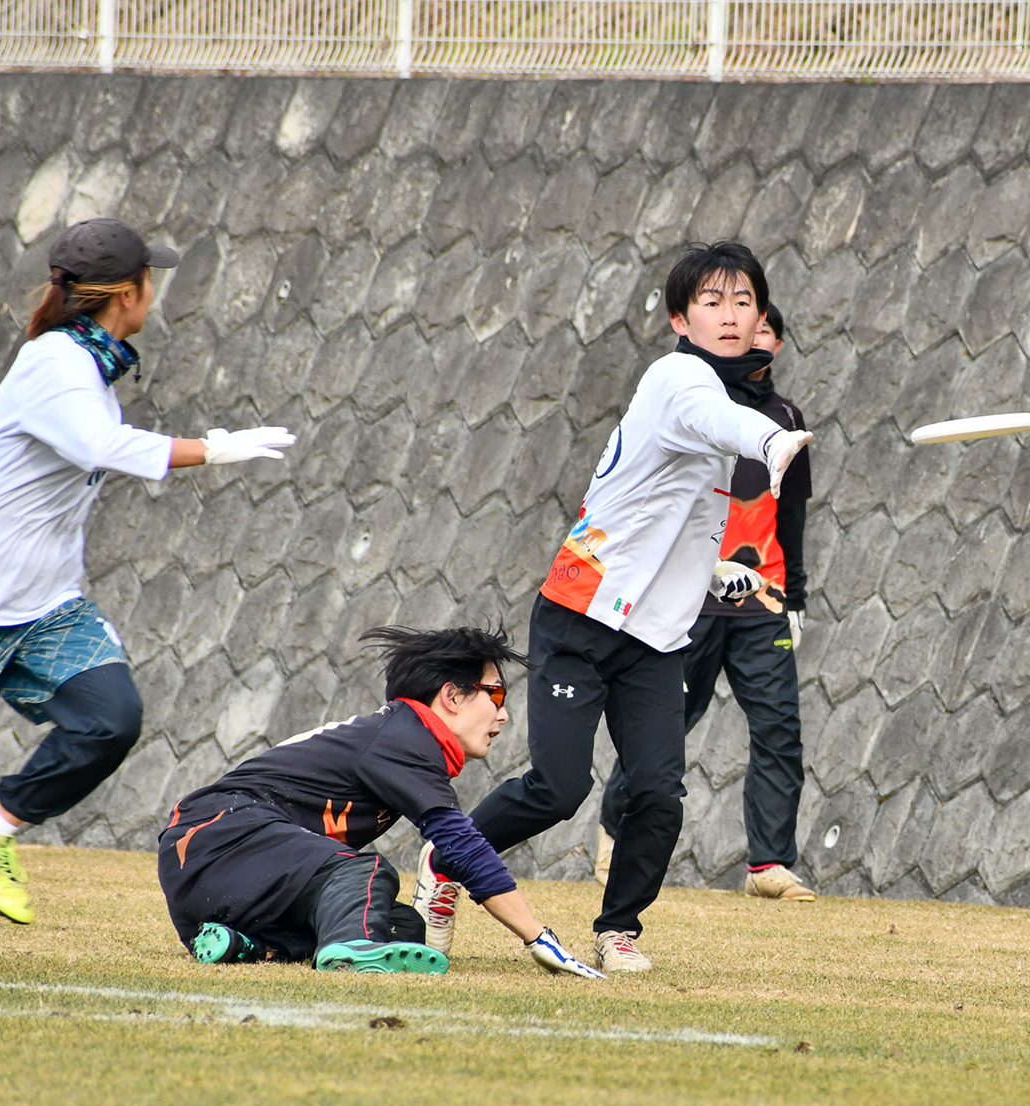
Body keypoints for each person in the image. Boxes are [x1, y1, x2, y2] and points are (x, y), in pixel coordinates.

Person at [0, 217, 297, 970]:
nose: (154, 294)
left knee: (110, 718)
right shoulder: (53, 362)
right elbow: (100, 447)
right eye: (150, 281)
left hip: (43, 606)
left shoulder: (88, 369)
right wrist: (215, 448)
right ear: (128, 292)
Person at [463, 242, 812, 974]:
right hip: (581, 616)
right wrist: (772, 441)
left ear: (761, 319)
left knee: (657, 792)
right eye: (712, 302)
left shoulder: (728, 398)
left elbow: (669, 516)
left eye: (743, 302)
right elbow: (718, 422)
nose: (729, 315)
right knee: (559, 788)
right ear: (681, 319)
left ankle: (617, 929)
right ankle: (446, 858)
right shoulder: (679, 378)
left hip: (655, 638)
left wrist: (717, 575)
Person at [156, 626, 601, 978]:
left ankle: (247, 945)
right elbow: (461, 845)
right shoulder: (405, 738)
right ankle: (352, 947)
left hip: (219, 875)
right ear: (451, 696)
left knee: (403, 926)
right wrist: (537, 937)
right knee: (364, 872)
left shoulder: (400, 736)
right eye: (496, 694)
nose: (503, 714)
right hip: (217, 835)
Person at [594, 302, 816, 902]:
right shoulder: (693, 405)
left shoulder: (787, 420)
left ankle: (768, 864)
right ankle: (614, 831)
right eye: (745, 323)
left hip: (762, 602)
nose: (752, 333)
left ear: (776, 343)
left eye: (765, 328)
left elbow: (791, 514)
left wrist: (795, 595)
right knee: (665, 724)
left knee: (779, 729)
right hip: (690, 601)